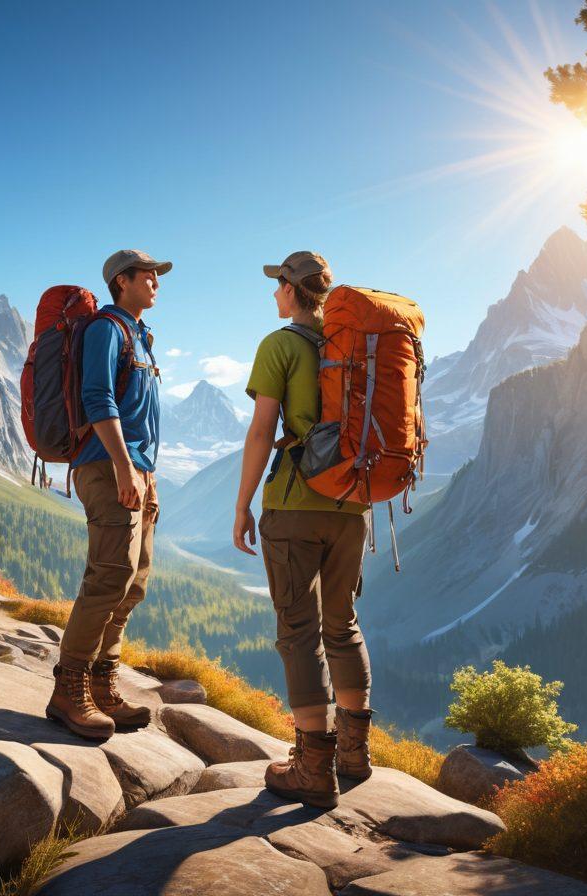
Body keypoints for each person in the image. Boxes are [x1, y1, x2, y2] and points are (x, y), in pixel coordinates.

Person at [232, 250, 374, 808]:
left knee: (298, 630)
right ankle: (355, 754)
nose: (273, 295)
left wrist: (243, 503)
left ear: (292, 290)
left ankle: (314, 768)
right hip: (352, 506)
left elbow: (263, 430)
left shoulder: (281, 345)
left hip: (295, 505)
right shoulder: (356, 346)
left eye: (277, 286)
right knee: (343, 624)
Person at [45, 249, 168, 740]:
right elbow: (99, 399)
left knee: (133, 582)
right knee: (108, 577)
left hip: (138, 470)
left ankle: (102, 685)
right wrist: (122, 467)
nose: (157, 282)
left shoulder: (141, 335)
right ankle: (67, 690)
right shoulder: (105, 330)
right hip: (106, 466)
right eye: (149, 275)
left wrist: (144, 472)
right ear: (123, 280)